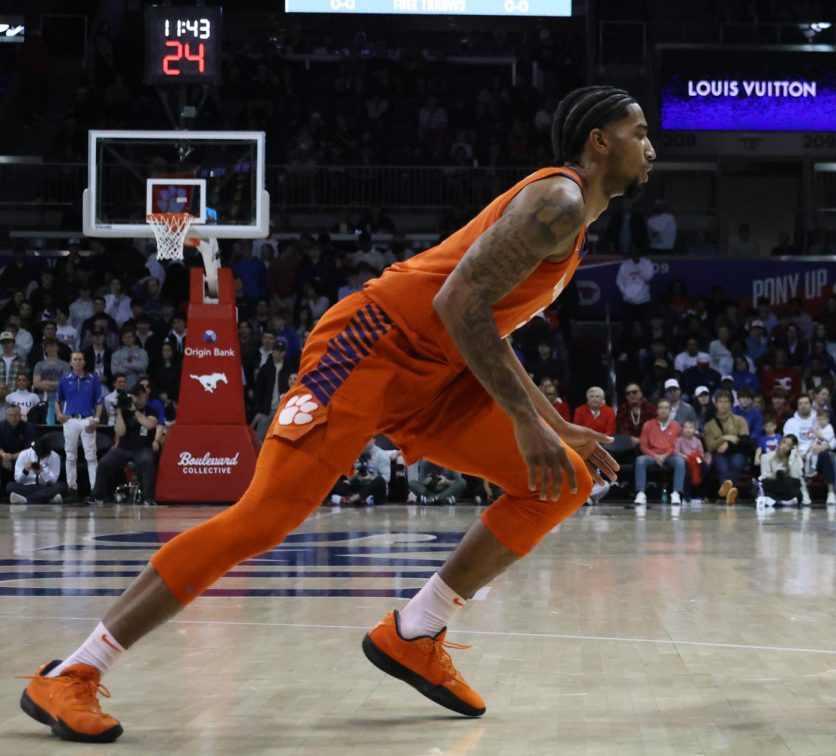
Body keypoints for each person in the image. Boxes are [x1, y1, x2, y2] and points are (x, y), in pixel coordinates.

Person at [21, 84, 650, 741]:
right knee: (262, 520)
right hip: (371, 347)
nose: (651, 146)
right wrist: (529, 420)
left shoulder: (572, 221)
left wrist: (552, 423)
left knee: (562, 481)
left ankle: (415, 631)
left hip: (436, 374)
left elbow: (479, 323)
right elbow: (459, 300)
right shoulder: (558, 199)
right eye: (637, 131)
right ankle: (74, 670)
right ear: (599, 142)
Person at [87, 383, 158, 507]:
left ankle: (148, 498)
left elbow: (150, 424)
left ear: (142, 395)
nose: (133, 399)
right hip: (124, 448)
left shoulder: (151, 409)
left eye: (136, 396)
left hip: (143, 448)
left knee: (147, 461)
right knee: (104, 462)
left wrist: (135, 411)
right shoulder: (125, 411)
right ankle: (97, 496)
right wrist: (120, 413)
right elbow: (120, 431)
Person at [56, 351, 103, 498]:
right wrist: (58, 414)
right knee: (70, 456)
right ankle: (72, 488)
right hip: (70, 420)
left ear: (84, 362)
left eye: (80, 359)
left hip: (87, 419)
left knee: (91, 456)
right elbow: (58, 400)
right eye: (75, 359)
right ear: (71, 362)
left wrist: (96, 419)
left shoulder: (93, 379)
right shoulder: (64, 380)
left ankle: (95, 489)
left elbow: (99, 401)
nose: (77, 361)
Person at [633, 399, 684, 505]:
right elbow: (643, 446)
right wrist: (655, 456)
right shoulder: (648, 425)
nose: (663, 410)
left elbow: (676, 446)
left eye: (666, 408)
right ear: (657, 410)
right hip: (652, 455)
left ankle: (676, 493)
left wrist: (665, 456)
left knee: (680, 461)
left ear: (670, 411)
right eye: (661, 408)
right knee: (640, 460)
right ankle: (640, 493)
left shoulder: (676, 426)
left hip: (670, 456)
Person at [704, 390, 750, 504]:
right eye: (720, 402)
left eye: (726, 401)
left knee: (736, 463)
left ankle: (726, 495)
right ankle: (730, 495)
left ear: (731, 404)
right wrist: (725, 438)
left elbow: (745, 441)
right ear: (716, 404)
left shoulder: (740, 420)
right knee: (723, 467)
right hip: (719, 454)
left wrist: (727, 444)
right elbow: (710, 446)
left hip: (738, 452)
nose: (723, 404)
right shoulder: (709, 425)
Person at [7, 436, 64, 504]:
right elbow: (18, 480)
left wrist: (42, 472)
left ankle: (25, 500)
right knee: (10, 486)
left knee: (61, 486)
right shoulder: (23, 455)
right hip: (27, 487)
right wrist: (25, 471)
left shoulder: (54, 456)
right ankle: (49, 498)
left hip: (45, 486)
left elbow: (53, 481)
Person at [0, 403, 35, 486]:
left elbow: (29, 450)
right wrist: (4, 455)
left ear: (20, 415)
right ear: (6, 416)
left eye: (15, 415)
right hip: (3, 458)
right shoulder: (1, 426)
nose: (13, 418)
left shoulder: (28, 427)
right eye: (10, 415)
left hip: (22, 458)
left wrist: (11, 457)